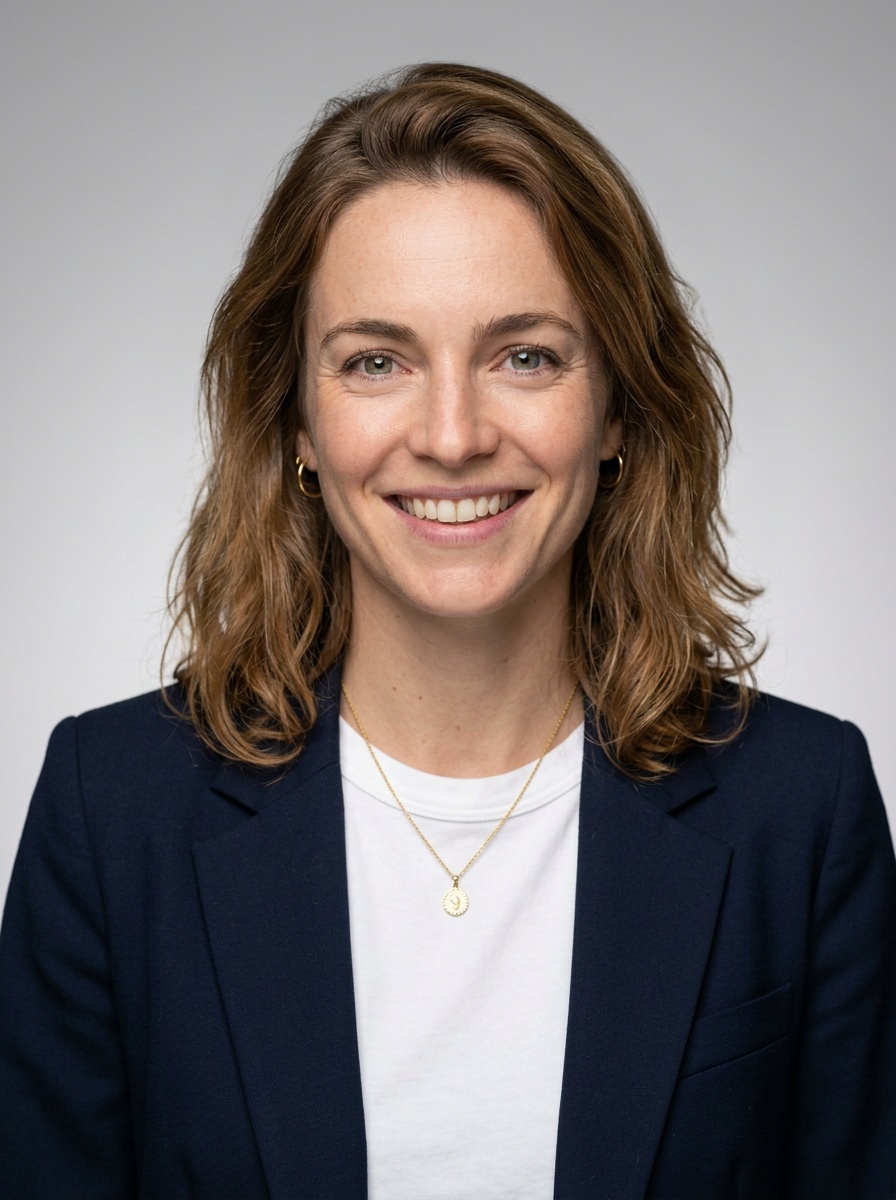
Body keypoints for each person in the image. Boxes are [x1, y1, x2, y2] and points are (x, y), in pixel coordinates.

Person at [1, 61, 894, 1200]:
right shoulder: (110, 809)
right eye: (377, 361)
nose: (454, 434)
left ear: (615, 407)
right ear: (299, 424)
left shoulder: (799, 810)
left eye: (524, 355)